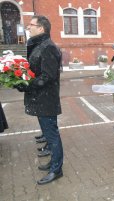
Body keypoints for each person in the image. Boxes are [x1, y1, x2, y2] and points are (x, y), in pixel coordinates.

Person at [14, 15, 63, 185]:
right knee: (49, 136)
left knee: (52, 135)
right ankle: (53, 163)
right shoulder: (40, 45)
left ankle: (57, 170)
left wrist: (27, 85)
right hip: (41, 98)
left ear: (41, 28)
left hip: (46, 99)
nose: (28, 28)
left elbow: (47, 77)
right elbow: (36, 70)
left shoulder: (48, 47)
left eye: (31, 25)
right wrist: (21, 78)